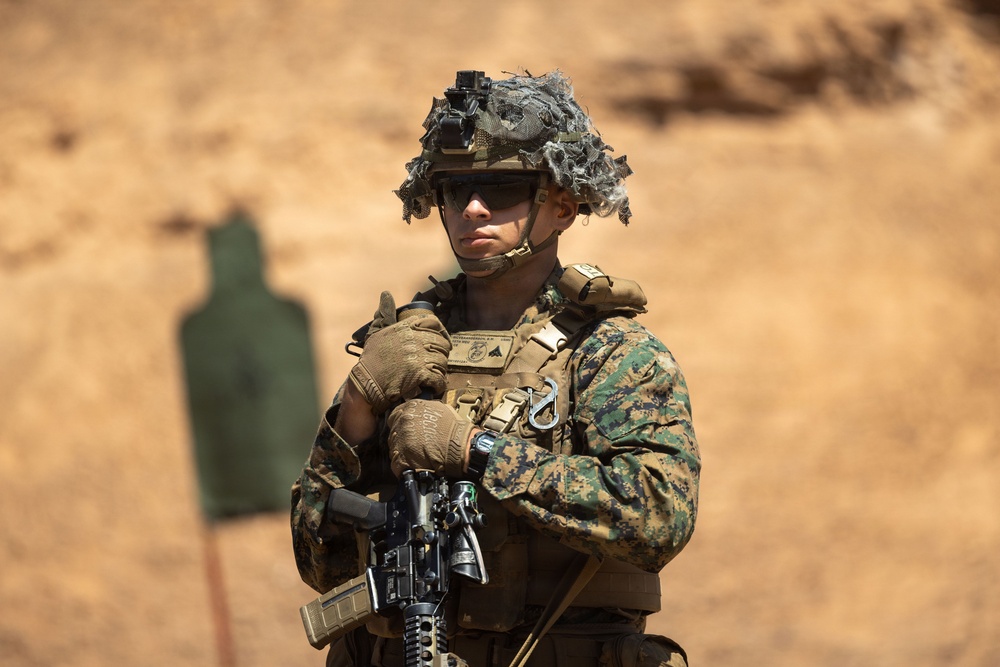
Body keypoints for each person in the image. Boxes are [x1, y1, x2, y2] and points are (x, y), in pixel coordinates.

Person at [291, 69, 700, 667]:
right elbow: (317, 561)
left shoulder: (611, 353)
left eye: (503, 188)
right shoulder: (403, 351)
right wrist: (357, 408)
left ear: (562, 204)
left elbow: (658, 515)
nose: (474, 209)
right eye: (456, 190)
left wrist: (477, 451)